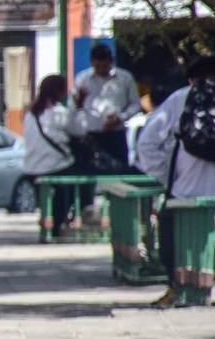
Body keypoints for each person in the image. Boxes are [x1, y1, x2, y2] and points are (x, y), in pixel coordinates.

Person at [135, 54, 215, 308]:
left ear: (191, 79)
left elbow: (146, 144)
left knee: (176, 242)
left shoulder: (180, 99)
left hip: (184, 192)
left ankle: (180, 289)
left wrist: (167, 175)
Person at [23, 74, 88, 238]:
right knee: (82, 182)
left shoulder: (30, 114)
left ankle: (48, 223)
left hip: (32, 168)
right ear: (59, 92)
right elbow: (80, 130)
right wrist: (78, 107)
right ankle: (65, 222)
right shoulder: (59, 113)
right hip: (56, 166)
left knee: (47, 201)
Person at [73, 43, 142, 167]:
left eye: (104, 66)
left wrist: (121, 117)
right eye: (97, 66)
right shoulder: (82, 79)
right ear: (92, 62)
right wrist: (79, 100)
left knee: (120, 173)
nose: (101, 69)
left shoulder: (125, 78)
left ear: (111, 62)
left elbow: (135, 104)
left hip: (116, 135)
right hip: (91, 136)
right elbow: (72, 108)